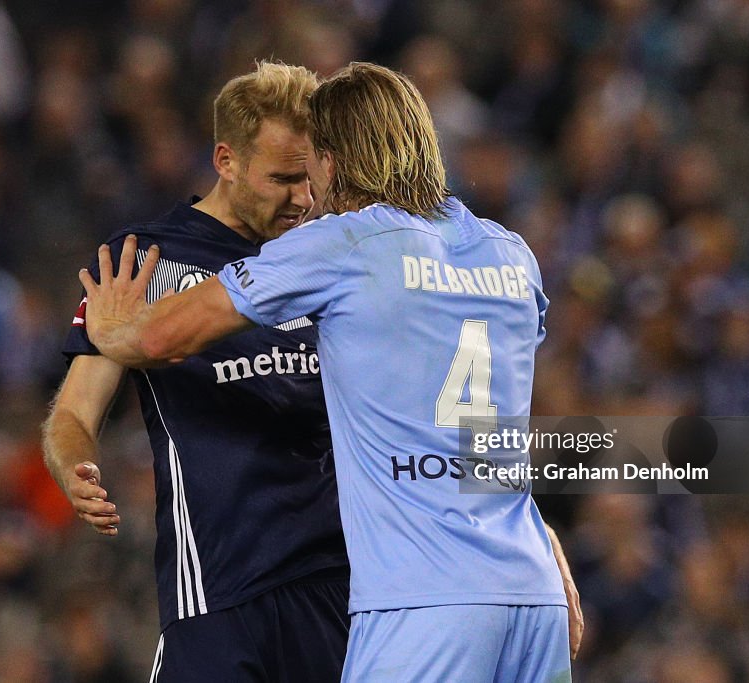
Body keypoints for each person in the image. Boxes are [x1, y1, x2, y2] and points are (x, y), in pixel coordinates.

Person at [80, 62, 584, 681]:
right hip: (532, 591)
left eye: (312, 161)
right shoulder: (511, 253)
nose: (308, 190)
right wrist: (543, 537)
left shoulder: (343, 244)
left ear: (334, 160)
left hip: (422, 602)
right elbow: (489, 434)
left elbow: (161, 335)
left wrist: (110, 330)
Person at [42, 61, 351, 683]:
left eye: (311, 178)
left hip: (340, 584)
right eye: (282, 179)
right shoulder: (144, 262)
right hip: (215, 588)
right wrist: (77, 468)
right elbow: (72, 412)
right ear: (226, 160)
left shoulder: (333, 258)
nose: (303, 199)